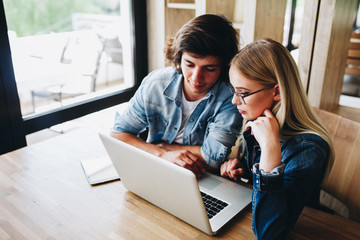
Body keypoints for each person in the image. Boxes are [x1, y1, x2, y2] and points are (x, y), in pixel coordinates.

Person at [220, 38, 334, 239]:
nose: (234, 100)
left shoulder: (308, 149)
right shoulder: (258, 121)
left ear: (277, 91)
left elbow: (269, 233)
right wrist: (241, 167)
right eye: (234, 90)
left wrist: (271, 150)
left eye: (243, 93)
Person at [111, 14, 242, 177]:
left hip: (203, 176)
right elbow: (118, 135)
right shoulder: (156, 84)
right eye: (189, 64)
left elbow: (213, 157)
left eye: (209, 69)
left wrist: (161, 147)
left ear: (224, 67)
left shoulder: (232, 98)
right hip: (156, 166)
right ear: (179, 58)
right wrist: (162, 154)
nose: (196, 78)